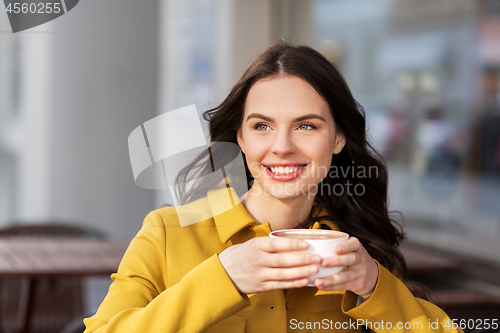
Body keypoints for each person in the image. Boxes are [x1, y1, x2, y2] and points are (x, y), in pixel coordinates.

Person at [84, 41, 463, 333]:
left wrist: (375, 286)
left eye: (306, 126)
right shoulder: (167, 234)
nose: (281, 146)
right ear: (241, 139)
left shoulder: (353, 246)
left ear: (338, 138)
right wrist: (223, 278)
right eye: (262, 126)